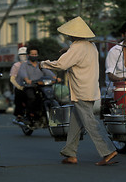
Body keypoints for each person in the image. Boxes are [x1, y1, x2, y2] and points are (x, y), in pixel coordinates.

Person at [41, 16, 117, 166]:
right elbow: (76, 56)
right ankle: (70, 153)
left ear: (74, 34)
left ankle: (108, 151)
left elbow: (61, 65)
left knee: (90, 122)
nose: (68, 36)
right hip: (89, 88)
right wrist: (68, 50)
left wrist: (43, 64)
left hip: (81, 90)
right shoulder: (90, 46)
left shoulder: (77, 48)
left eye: (69, 33)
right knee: (76, 121)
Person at [17, 45, 59, 121]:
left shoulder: (41, 64)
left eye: (35, 54)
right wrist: (27, 79)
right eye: (32, 54)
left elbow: (48, 72)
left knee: (51, 96)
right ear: (28, 55)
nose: (34, 56)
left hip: (41, 86)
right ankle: (30, 114)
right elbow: (23, 73)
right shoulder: (24, 65)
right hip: (30, 86)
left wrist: (55, 78)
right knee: (32, 98)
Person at [9, 46, 27, 121]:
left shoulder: (31, 64)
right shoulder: (16, 65)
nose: (23, 56)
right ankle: (19, 114)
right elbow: (12, 79)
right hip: (20, 86)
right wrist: (18, 86)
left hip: (31, 85)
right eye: (21, 55)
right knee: (19, 96)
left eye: (25, 54)